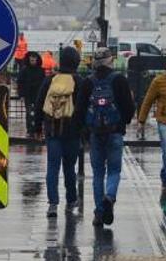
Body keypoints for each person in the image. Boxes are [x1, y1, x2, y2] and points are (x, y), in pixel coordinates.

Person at [74, 47, 136, 228]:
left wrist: (84, 131)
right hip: (114, 131)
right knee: (114, 170)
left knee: (97, 174)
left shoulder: (88, 82)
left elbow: (79, 110)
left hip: (95, 133)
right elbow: (128, 107)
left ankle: (99, 213)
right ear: (111, 61)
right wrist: (123, 123)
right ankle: (109, 196)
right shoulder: (119, 80)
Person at [34, 46, 83, 218]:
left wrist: (36, 127)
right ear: (76, 62)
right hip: (72, 132)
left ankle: (53, 203)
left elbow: (39, 104)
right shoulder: (78, 81)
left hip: (52, 131)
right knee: (69, 167)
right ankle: (71, 199)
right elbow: (83, 108)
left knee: (52, 167)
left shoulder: (50, 81)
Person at [137, 55, 166, 195]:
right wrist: (141, 120)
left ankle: (165, 174)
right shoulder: (158, 81)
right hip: (164, 120)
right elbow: (148, 100)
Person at [17, 51, 45, 138]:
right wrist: (21, 94)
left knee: (38, 112)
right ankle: (30, 130)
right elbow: (20, 82)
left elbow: (44, 83)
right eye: (31, 59)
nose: (33, 61)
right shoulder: (24, 70)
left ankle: (37, 129)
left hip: (38, 94)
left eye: (34, 59)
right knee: (29, 113)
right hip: (28, 94)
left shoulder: (41, 70)